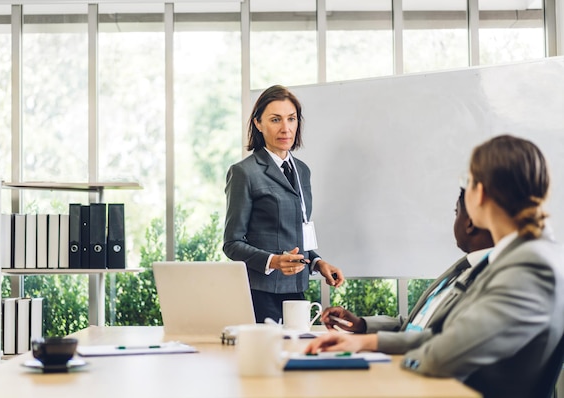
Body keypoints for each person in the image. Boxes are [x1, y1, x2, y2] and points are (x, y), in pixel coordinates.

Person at [305, 134, 564, 398]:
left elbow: (443, 355)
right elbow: (448, 337)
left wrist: (388, 369)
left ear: (480, 193)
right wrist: (365, 342)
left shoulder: (530, 266)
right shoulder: (521, 256)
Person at [223, 84, 345, 323]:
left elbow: (296, 232)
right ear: (258, 124)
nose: (285, 128)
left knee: (296, 355)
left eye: (291, 119)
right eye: (276, 119)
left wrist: (318, 263)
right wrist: (273, 261)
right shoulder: (244, 172)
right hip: (260, 293)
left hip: (296, 291)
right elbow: (232, 243)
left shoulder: (302, 171)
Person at [321, 188, 494, 352]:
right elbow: (413, 327)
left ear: (470, 223)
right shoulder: (461, 269)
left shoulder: (491, 279)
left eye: (456, 213)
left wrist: (366, 342)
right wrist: (361, 324)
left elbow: (445, 340)